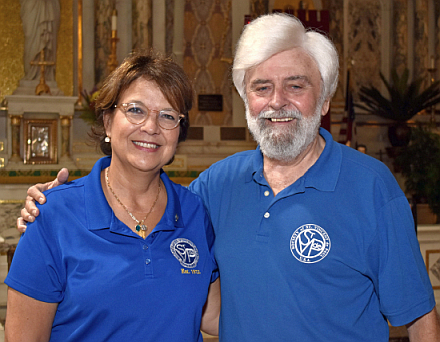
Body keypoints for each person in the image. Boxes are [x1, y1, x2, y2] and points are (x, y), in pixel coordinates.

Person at [18, 13, 440, 342]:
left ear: (325, 98)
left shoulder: (371, 186)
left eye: (296, 85)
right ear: (245, 101)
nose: (277, 102)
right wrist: (51, 207)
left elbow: (419, 317)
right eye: (261, 87)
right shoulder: (214, 187)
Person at [8, 50, 220, 342]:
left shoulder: (194, 210)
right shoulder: (54, 215)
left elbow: (214, 316)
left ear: (178, 133)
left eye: (168, 116)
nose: (150, 127)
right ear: (108, 121)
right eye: (135, 110)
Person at [20, 0, 60, 81]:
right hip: (32, 6)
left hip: (49, 4)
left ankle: (46, 75)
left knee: (48, 39)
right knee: (31, 38)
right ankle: (31, 73)